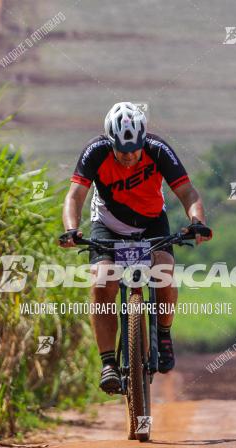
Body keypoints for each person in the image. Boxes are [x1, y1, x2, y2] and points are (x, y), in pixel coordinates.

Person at [59, 102, 211, 394]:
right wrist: (70, 230)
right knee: (103, 282)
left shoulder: (158, 149)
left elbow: (188, 192)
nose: (129, 157)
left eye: (134, 149)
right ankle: (108, 364)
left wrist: (197, 222)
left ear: (144, 140)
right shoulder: (96, 151)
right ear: (110, 141)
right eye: (122, 150)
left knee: (164, 270)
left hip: (152, 222)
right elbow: (75, 196)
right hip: (108, 224)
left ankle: (163, 334)